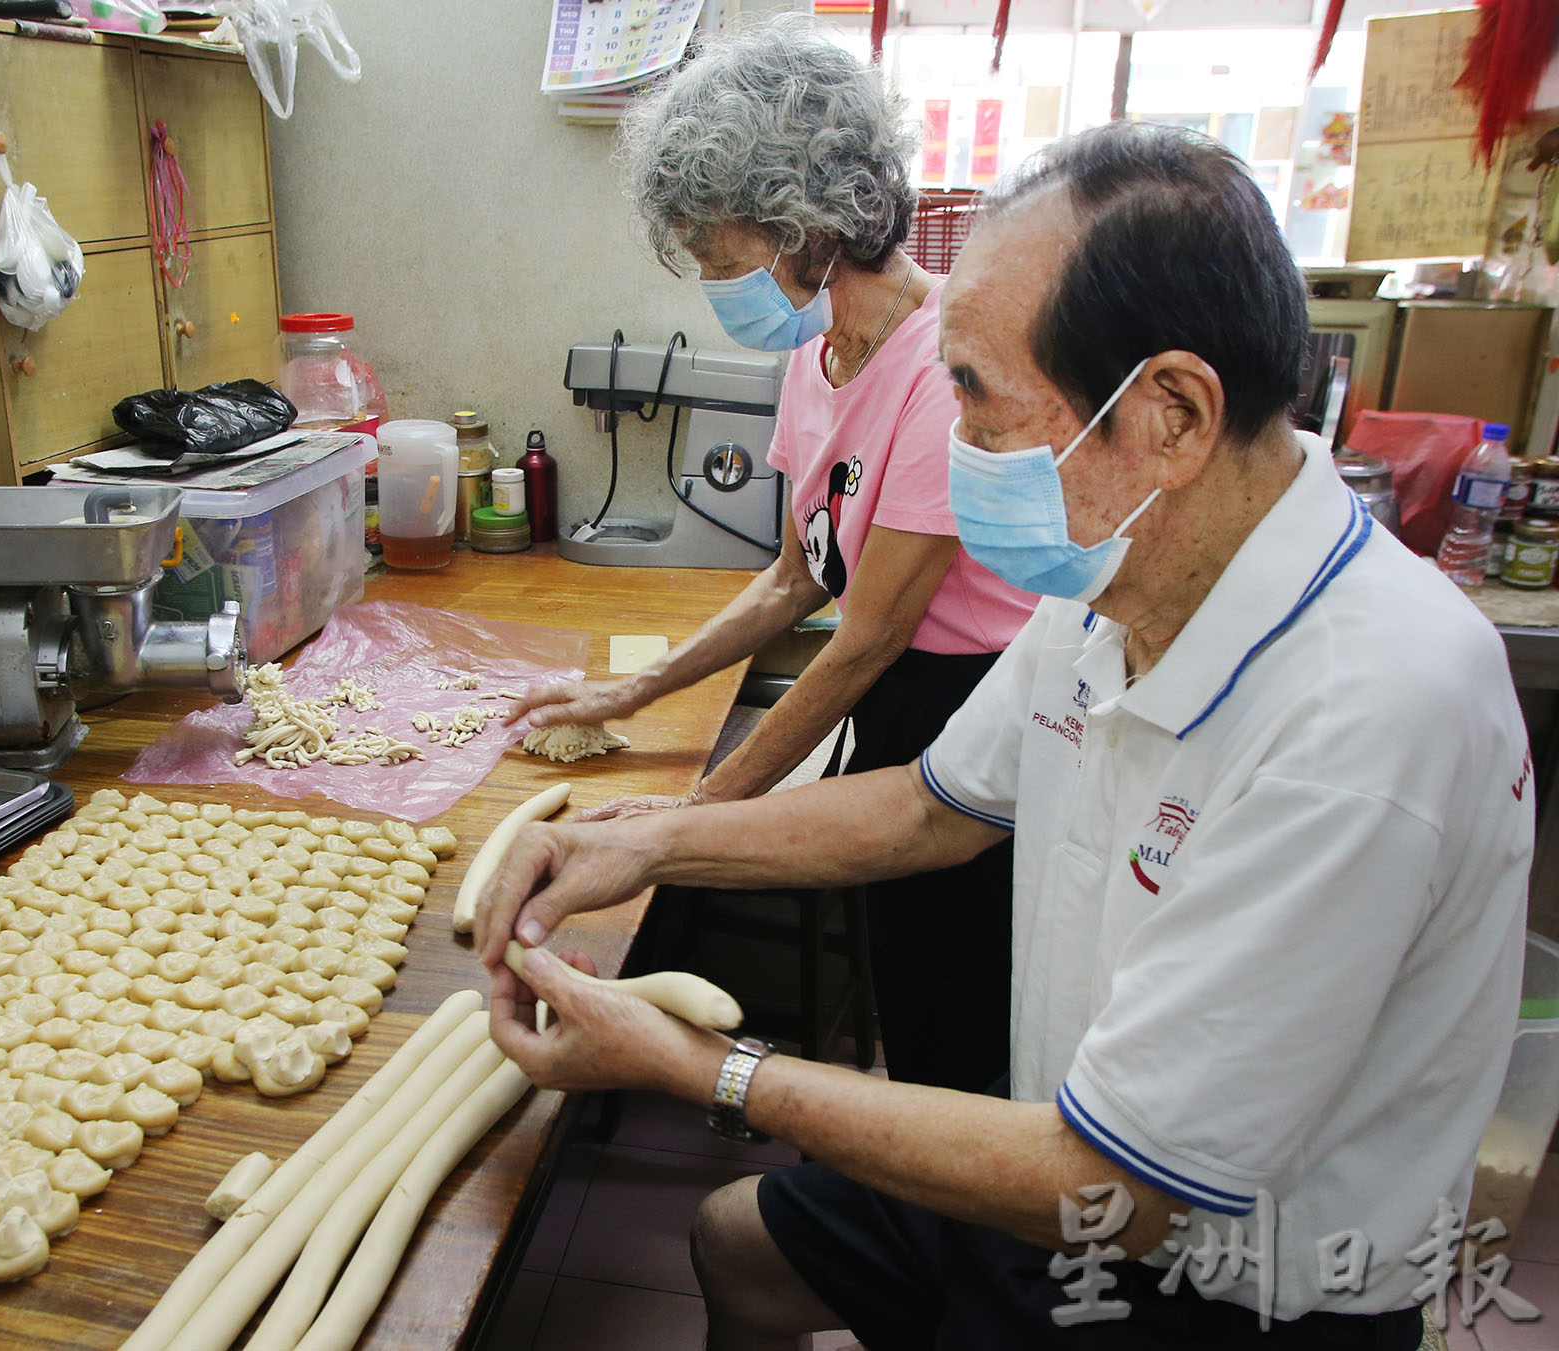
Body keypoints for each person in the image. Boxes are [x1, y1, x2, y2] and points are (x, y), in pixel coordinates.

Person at [477, 121, 1532, 1348]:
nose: (952, 441)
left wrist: (697, 1067)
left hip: (1218, 1277)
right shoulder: (1114, 578)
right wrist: (649, 842)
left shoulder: (1368, 712)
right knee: (738, 1241)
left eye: (974, 397)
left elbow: (1116, 1184)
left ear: (1171, 415)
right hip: (1065, 1132)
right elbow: (930, 806)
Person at [512, 17, 1034, 1092]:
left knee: (957, 1012)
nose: (716, 285)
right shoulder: (817, 347)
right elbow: (796, 577)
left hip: (969, 708)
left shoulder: (939, 372)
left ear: (812, 227)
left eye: (724, 260)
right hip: (890, 704)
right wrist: (631, 690)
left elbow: (864, 641)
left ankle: (948, 1181)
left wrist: (692, 818)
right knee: (907, 982)